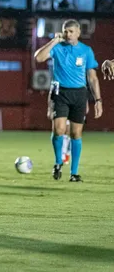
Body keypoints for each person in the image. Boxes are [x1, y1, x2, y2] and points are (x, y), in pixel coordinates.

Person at [35, 19, 103, 182]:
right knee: (58, 129)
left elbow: (92, 78)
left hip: (79, 94)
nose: (68, 34)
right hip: (60, 92)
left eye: (71, 31)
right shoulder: (57, 47)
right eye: (66, 31)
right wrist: (54, 40)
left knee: (76, 133)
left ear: (78, 33)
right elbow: (39, 58)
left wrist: (98, 100)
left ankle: (74, 172)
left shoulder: (86, 50)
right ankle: (58, 163)